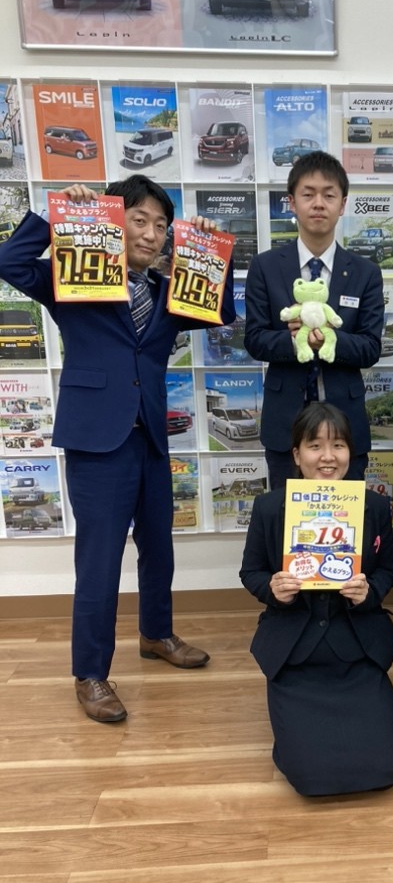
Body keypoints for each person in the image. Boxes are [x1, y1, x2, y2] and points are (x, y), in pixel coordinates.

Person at [0, 175, 236, 723]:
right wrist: (56, 217)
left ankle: (156, 634)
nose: (151, 234)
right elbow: (9, 262)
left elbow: (221, 312)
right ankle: (90, 673)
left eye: (161, 225)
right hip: (96, 439)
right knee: (100, 562)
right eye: (139, 220)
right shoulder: (75, 275)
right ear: (114, 219)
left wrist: (205, 250)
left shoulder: (169, 290)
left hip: (150, 434)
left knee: (159, 547)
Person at [239, 402, 393, 796]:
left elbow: (388, 570)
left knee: (387, 765)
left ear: (351, 452)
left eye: (338, 445)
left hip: (357, 647)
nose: (328, 457)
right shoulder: (270, 507)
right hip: (294, 651)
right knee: (309, 777)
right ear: (297, 455)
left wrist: (369, 592)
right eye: (315, 446)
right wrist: (274, 590)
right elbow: (251, 572)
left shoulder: (373, 505)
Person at [244, 151, 384, 489]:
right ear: (292, 203)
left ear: (342, 204)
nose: (318, 203)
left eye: (328, 195)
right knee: (285, 515)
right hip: (285, 425)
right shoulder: (265, 266)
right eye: (308, 194)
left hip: (346, 426)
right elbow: (255, 339)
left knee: (346, 517)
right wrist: (295, 341)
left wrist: (328, 340)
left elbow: (370, 347)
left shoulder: (365, 272)